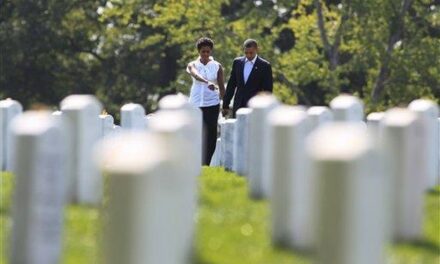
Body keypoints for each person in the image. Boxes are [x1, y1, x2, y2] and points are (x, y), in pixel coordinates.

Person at [187, 37, 225, 165]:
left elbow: (221, 86)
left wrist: (224, 104)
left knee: (211, 135)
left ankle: (206, 163)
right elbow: (195, 75)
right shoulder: (193, 64)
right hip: (196, 104)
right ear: (199, 51)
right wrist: (206, 81)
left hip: (212, 103)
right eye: (203, 51)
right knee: (196, 132)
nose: (205, 54)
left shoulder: (217, 66)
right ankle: (195, 160)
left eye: (208, 51)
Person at [222, 39, 273, 117]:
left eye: (251, 53)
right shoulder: (237, 63)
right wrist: (225, 104)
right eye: (246, 53)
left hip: (254, 107)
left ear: (257, 50)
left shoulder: (264, 65)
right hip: (238, 105)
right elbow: (231, 85)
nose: (248, 55)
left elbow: (267, 90)